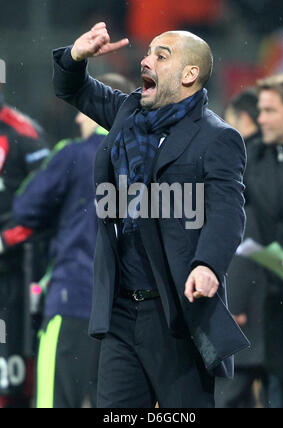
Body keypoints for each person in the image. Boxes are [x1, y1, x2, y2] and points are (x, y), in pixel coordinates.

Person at [52, 22, 249, 408]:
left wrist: (208, 264)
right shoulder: (129, 112)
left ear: (190, 74)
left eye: (162, 56)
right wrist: (77, 56)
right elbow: (71, 87)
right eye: (148, 53)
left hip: (176, 311)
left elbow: (227, 209)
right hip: (120, 310)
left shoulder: (217, 137)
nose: (147, 60)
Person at [1, 74, 135, 408]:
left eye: (82, 109)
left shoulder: (74, 154)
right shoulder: (149, 157)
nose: (77, 117)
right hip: (131, 309)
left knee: (55, 401)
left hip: (74, 297)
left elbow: (27, 206)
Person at [244, 74, 283, 408]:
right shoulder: (253, 157)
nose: (260, 118)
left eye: (269, 110)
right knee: (279, 392)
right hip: (277, 302)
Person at [216, 88, 268, 408]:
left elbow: (240, 243)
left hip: (246, 309)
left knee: (228, 397)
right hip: (274, 313)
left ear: (243, 121)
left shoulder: (241, 167)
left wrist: (232, 301)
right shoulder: (278, 163)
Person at [0, 85, 49, 408]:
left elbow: (46, 203)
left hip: (11, 275)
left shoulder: (25, 135)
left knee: (11, 377)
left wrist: (4, 240)